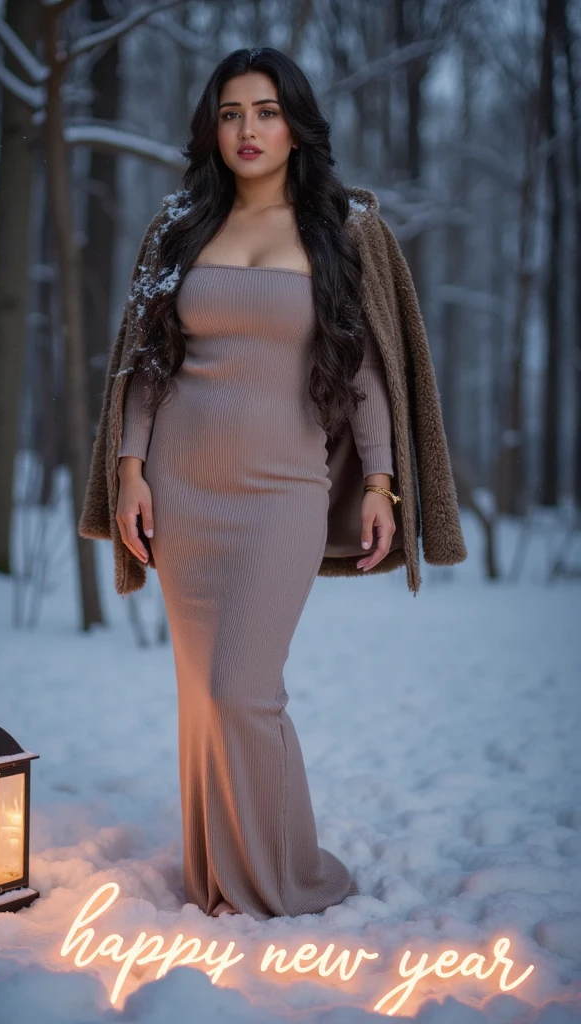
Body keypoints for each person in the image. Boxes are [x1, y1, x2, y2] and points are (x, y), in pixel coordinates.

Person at [78, 47, 467, 920]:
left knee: (241, 691)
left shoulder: (343, 228)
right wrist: (131, 471)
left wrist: (381, 482)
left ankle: (290, 876)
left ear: (296, 124)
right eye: (229, 114)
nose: (247, 130)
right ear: (210, 130)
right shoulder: (179, 226)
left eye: (264, 111)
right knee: (199, 697)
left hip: (283, 488)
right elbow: (145, 366)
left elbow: (369, 372)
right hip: (181, 490)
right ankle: (217, 878)